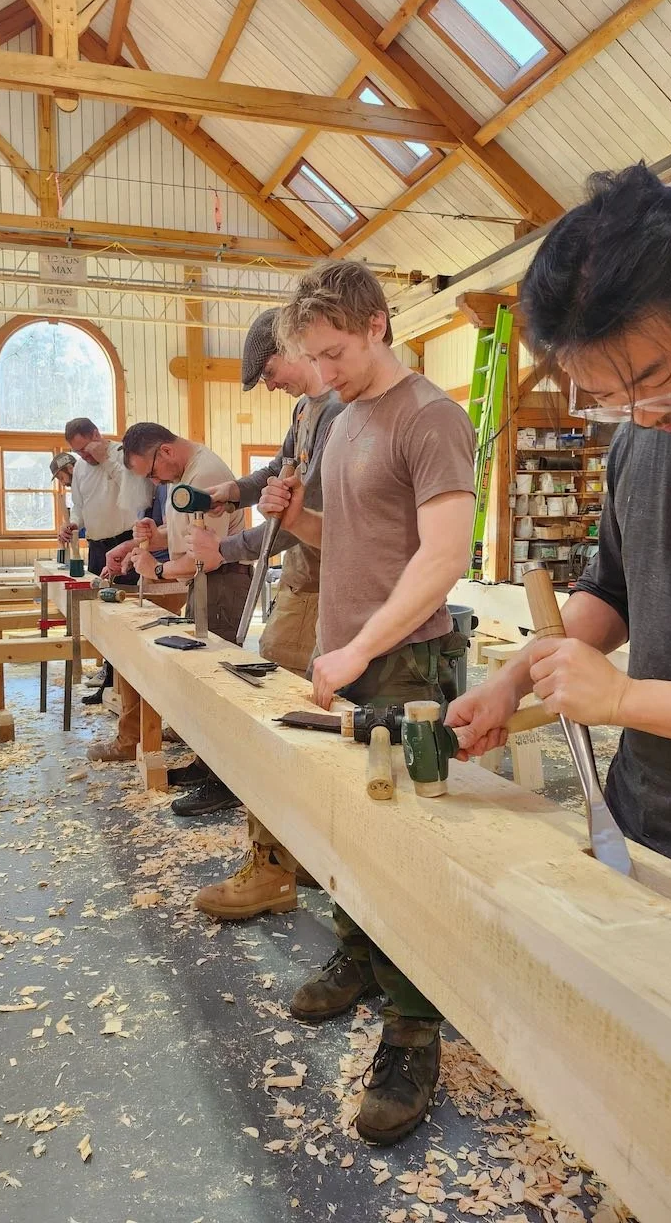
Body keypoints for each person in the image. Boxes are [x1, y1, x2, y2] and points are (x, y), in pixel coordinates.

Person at [446, 162, 671, 927]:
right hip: (643, 818)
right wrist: (515, 677)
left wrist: (620, 698)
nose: (643, 416)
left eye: (658, 378)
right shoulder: (643, 438)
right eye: (612, 398)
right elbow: (612, 591)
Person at [258, 260, 475, 1145]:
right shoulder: (343, 418)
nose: (325, 370)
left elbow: (441, 557)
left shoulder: (431, 417)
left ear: (380, 323)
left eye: (335, 352)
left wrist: (360, 647)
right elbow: (353, 538)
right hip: (347, 656)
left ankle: (415, 1025)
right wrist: (299, 519)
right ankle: (358, 950)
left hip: (406, 667)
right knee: (349, 825)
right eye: (314, 356)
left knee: (408, 847)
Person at [183, 307, 343, 920]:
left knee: (274, 717)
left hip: (320, 586)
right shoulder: (307, 410)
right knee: (291, 719)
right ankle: (294, 854)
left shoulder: (337, 414)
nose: (268, 384)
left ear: (297, 347)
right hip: (304, 583)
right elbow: (278, 474)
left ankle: (274, 868)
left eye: (269, 370)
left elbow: (295, 523)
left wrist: (223, 550)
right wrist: (234, 493)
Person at [89, 422, 252, 818]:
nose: (156, 481)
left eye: (153, 472)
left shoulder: (206, 475)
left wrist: (156, 571)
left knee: (216, 681)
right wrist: (144, 538)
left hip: (221, 582)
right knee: (200, 677)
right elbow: (182, 535)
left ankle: (225, 780)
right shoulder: (185, 475)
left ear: (165, 452)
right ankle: (206, 763)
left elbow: (204, 556)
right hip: (204, 584)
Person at [58, 419, 152, 705]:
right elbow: (80, 506)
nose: (83, 456)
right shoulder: (83, 467)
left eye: (85, 449)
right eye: (77, 451)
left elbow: (136, 492)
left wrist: (105, 459)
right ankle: (108, 680)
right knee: (101, 613)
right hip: (97, 547)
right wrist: (73, 524)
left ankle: (128, 686)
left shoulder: (123, 455)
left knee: (123, 614)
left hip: (123, 542)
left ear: (97, 435)